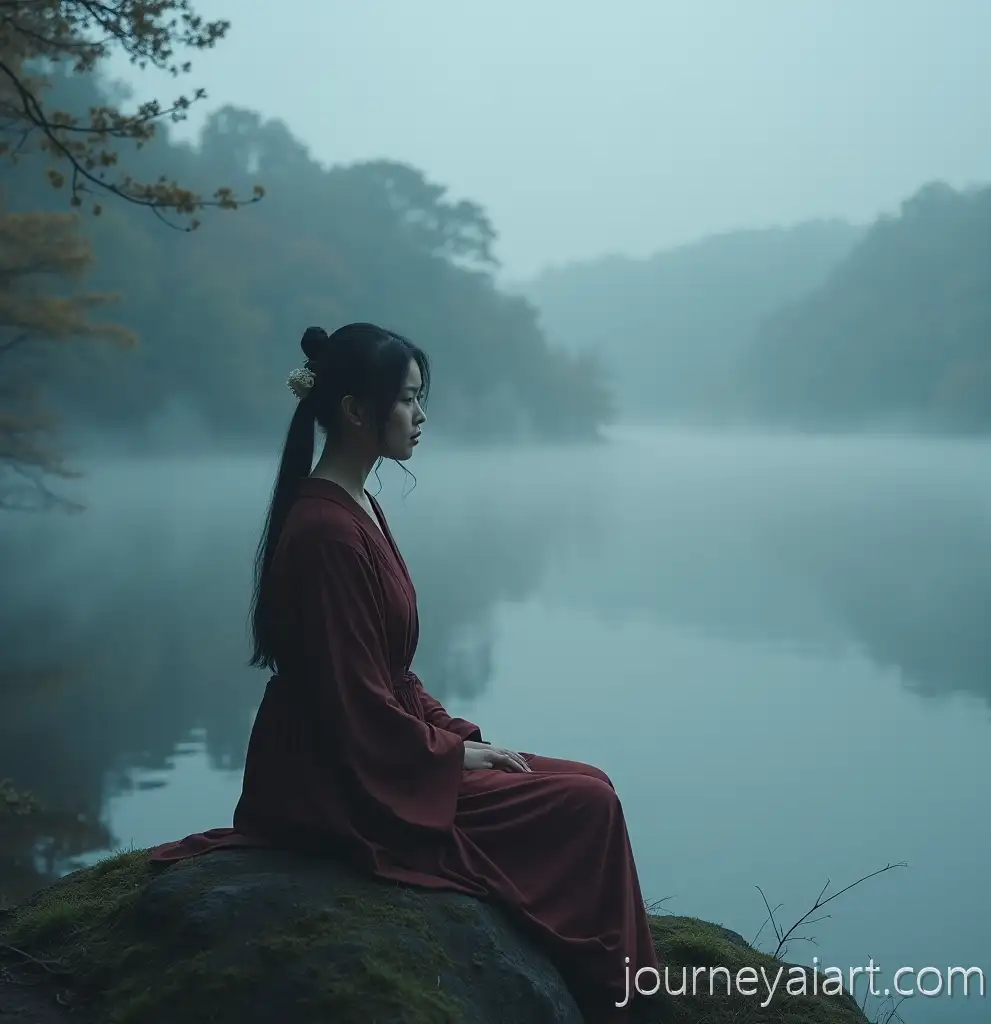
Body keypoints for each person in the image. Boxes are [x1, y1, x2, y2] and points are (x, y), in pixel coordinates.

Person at [149, 323, 659, 1021]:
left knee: (590, 782)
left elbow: (390, 671)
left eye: (421, 400)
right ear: (357, 410)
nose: (421, 417)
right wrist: (450, 759)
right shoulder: (326, 530)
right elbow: (353, 704)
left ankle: (622, 987)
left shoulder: (358, 503)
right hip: (341, 774)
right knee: (588, 806)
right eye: (409, 400)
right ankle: (620, 998)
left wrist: (454, 736)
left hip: (380, 747)